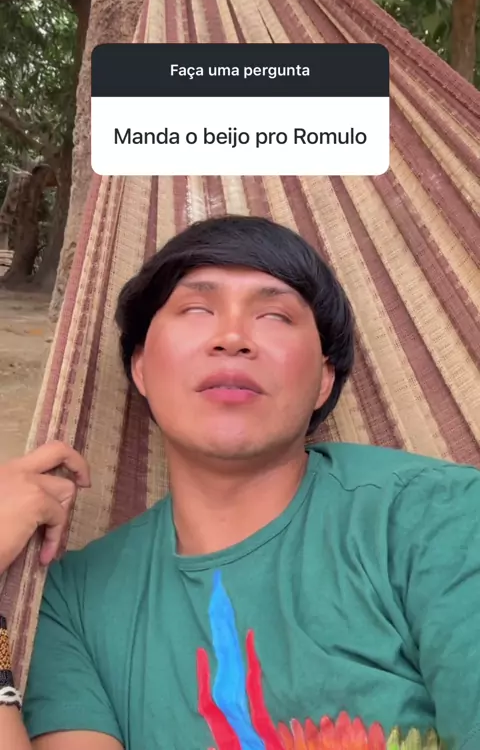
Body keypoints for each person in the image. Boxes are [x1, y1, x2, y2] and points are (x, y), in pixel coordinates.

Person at [1, 214, 479, 750]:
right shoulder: (76, 599)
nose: (232, 338)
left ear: (324, 380)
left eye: (275, 315)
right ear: (140, 368)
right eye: (196, 309)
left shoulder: (436, 518)